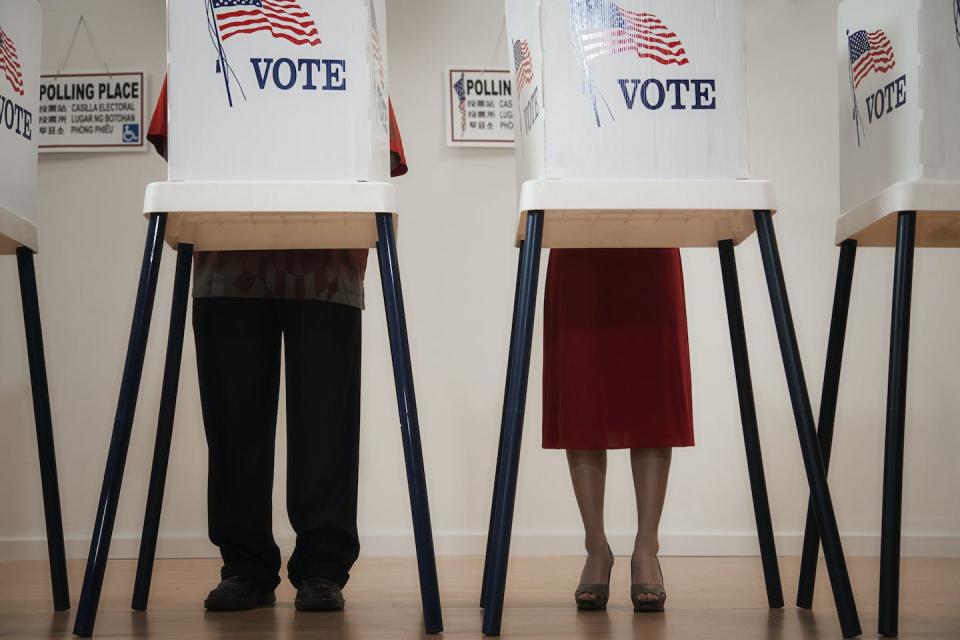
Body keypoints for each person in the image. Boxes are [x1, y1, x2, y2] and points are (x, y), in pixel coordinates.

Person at [147, 79, 408, 612]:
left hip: (324, 257)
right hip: (230, 252)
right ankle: (245, 564)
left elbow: (382, 147)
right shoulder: (213, 23)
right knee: (234, 421)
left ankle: (321, 566)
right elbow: (176, 137)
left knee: (324, 424)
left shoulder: (341, 31)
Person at [542, 247, 693, 612]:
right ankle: (596, 545)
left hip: (651, 230)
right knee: (582, 392)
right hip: (577, 231)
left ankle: (647, 547)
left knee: (651, 389)